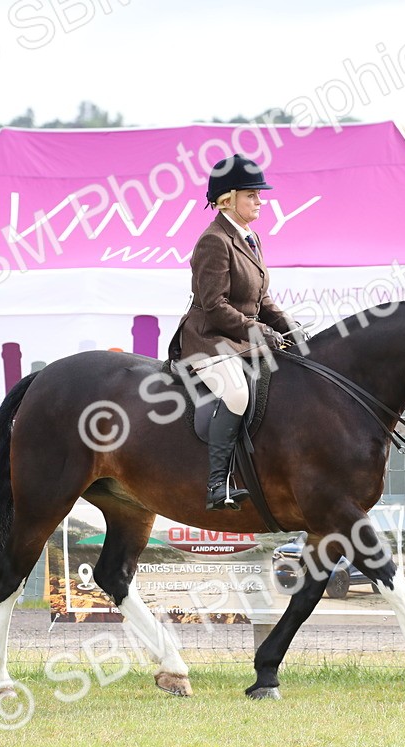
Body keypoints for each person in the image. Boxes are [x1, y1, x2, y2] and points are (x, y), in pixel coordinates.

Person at [170, 154, 306, 511]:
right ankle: (217, 484)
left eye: (259, 196)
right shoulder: (214, 241)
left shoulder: (249, 238)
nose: (260, 201)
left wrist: (289, 327)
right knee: (235, 394)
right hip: (208, 340)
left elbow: (261, 298)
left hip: (240, 338)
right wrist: (258, 329)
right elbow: (215, 305)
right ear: (227, 199)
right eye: (253, 195)